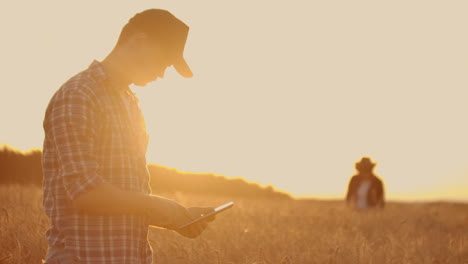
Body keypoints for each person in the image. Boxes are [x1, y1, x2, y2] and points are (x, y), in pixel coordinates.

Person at [42, 9, 215, 264]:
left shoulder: (129, 102)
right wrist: (160, 207)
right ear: (140, 42)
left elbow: (124, 198)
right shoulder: (79, 96)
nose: (162, 74)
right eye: (164, 61)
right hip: (83, 257)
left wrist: (176, 217)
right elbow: (86, 194)